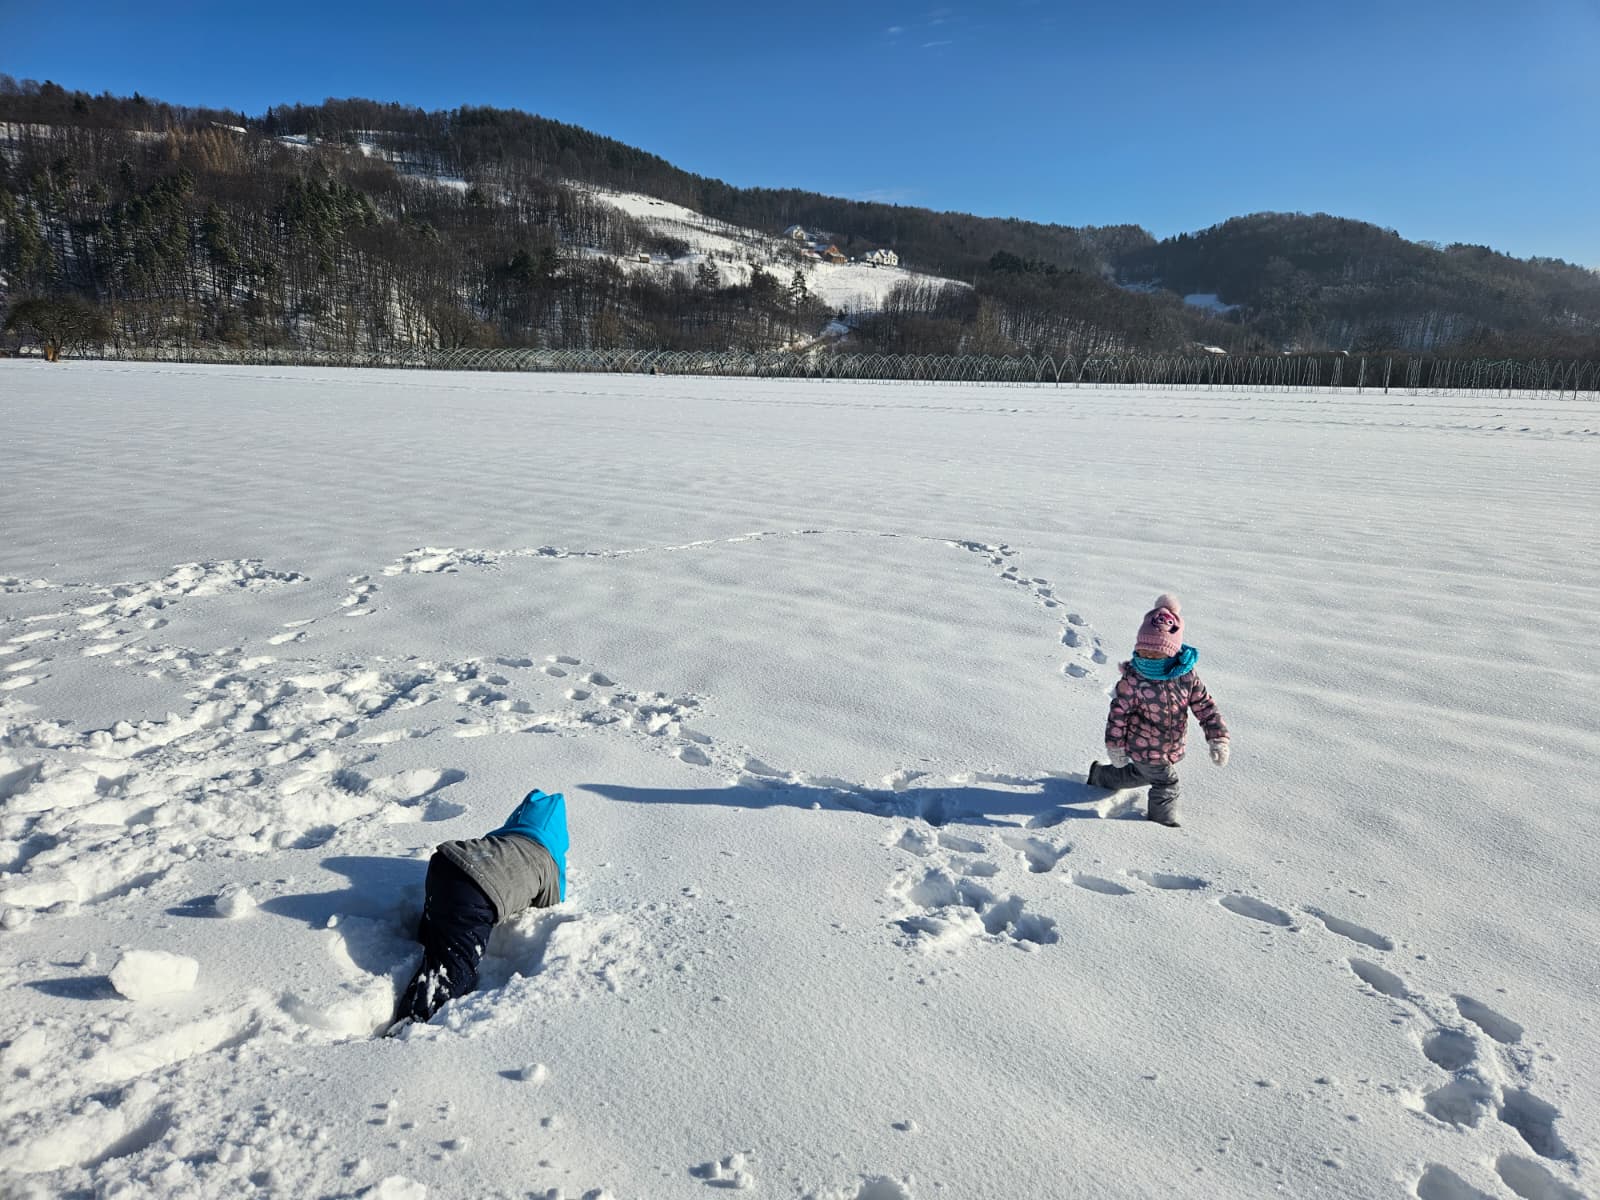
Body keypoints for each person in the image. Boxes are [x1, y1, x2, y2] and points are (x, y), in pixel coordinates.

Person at [387, 788, 569, 1034]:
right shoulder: (547, 861)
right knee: (452, 969)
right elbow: (552, 902)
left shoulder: (506, 840)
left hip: (446, 862)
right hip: (475, 893)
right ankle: (410, 1027)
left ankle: (427, 939)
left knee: (441, 930)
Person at [1086, 595, 1229, 828]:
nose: (1149, 657)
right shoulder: (1134, 678)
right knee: (1166, 783)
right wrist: (1115, 746)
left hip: (1170, 745)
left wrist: (1218, 738)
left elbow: (1204, 706)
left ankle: (1101, 776)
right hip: (1142, 745)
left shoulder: (1186, 676)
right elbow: (1118, 714)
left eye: (1157, 652)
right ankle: (1161, 825)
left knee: (1139, 775)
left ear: (1172, 652)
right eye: (1144, 651)